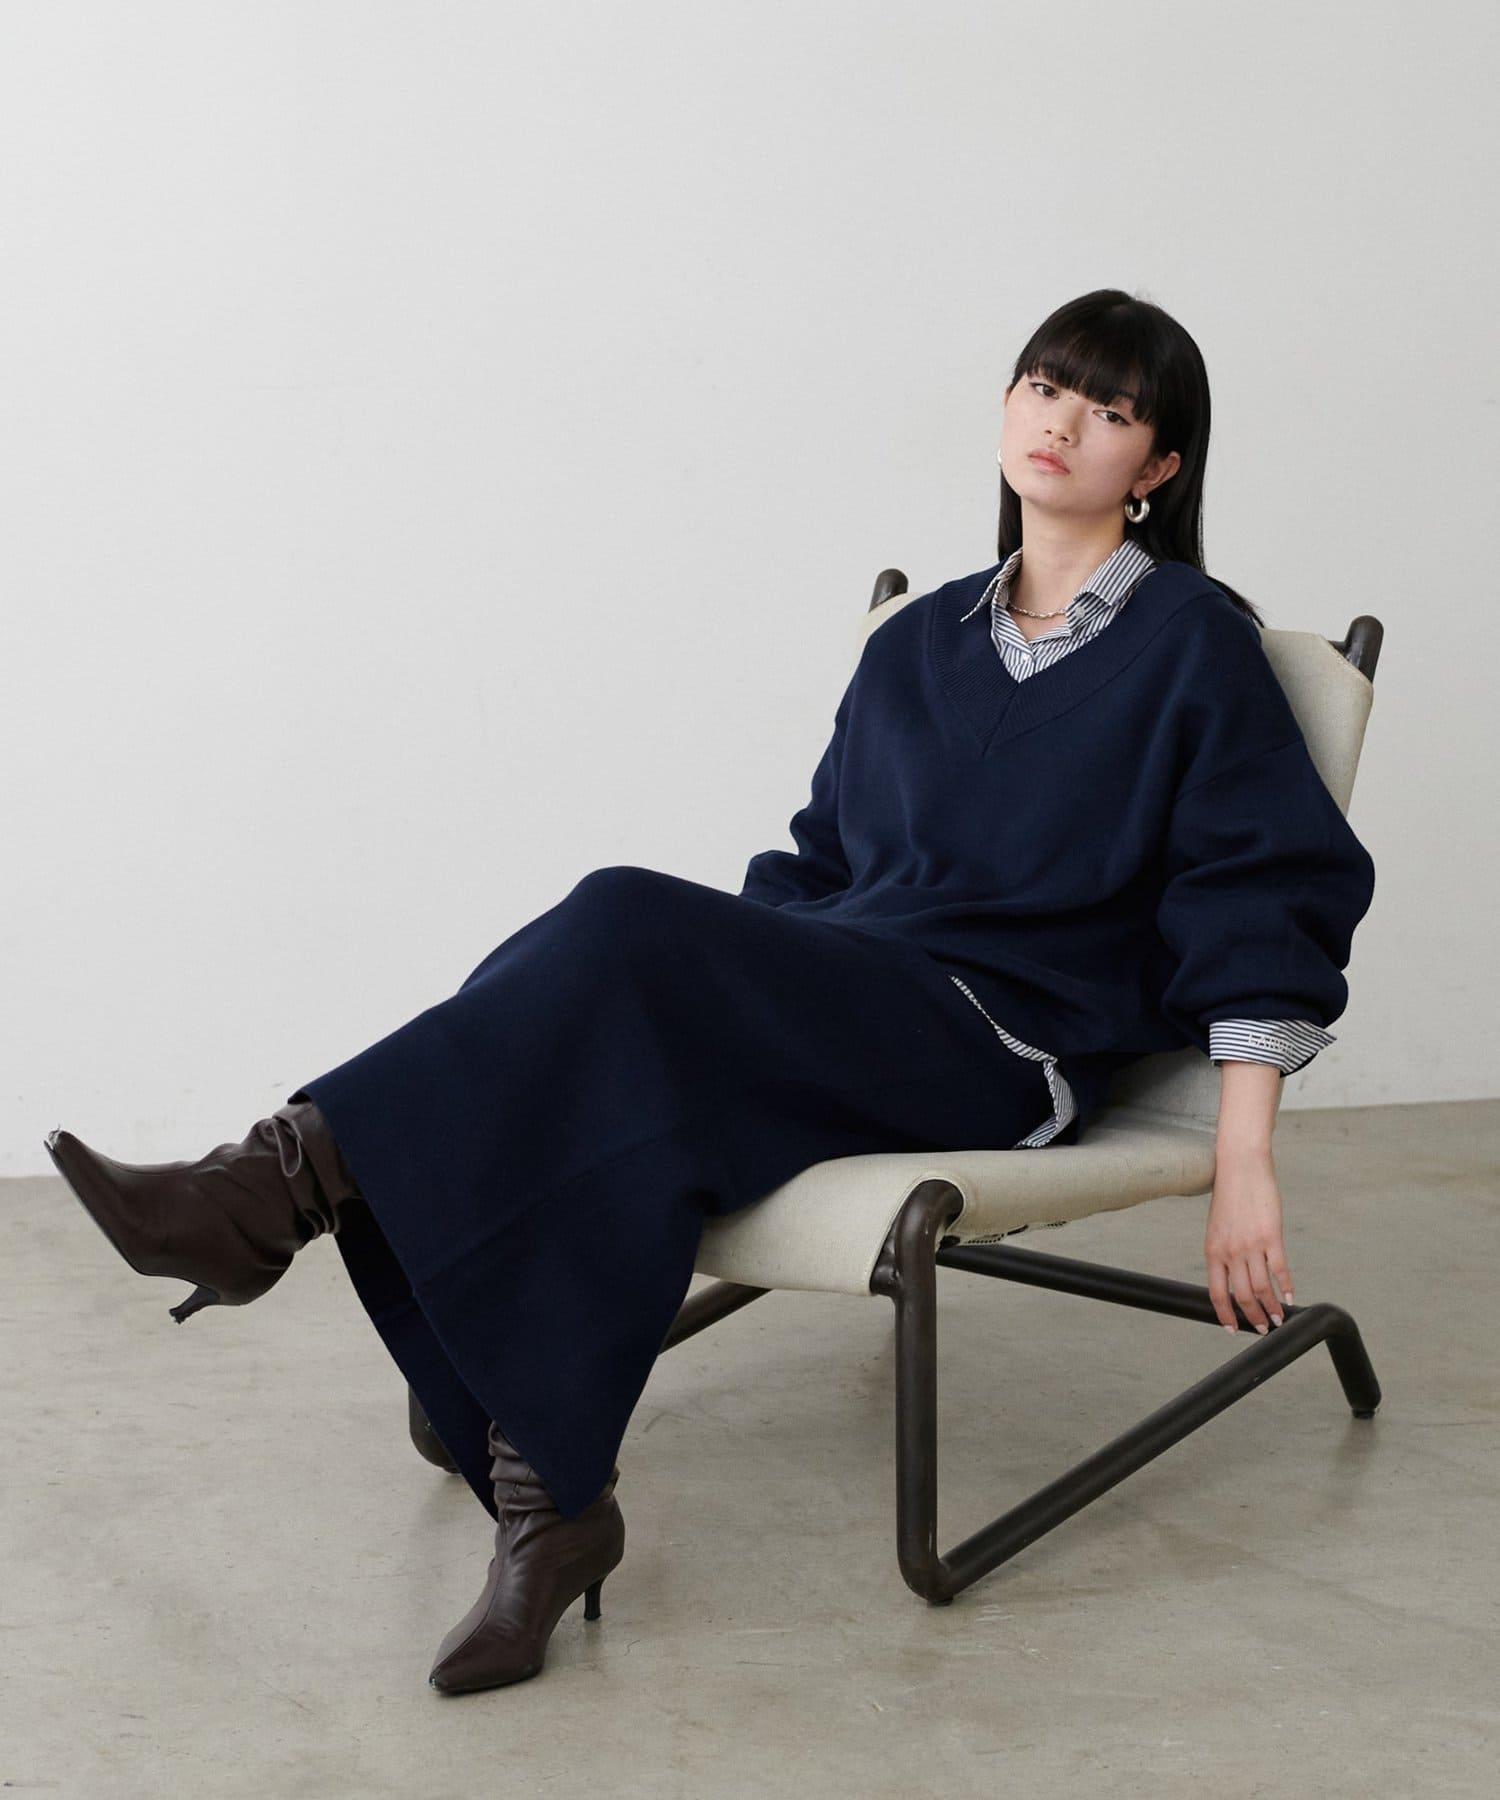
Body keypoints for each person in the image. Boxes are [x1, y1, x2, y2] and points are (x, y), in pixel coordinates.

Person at [43, 286, 1377, 1698]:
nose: (1064, 422)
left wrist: (1245, 1162)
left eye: (1109, 410)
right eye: (1045, 386)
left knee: (620, 916)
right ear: (1006, 405)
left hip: (999, 1039)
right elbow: (817, 868)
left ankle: (282, 1197)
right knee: (624, 1015)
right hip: (852, 999)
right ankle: (550, 1504)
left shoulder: (1193, 644)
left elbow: (1258, 893)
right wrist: (719, 1000)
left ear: (1156, 466)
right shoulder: (916, 643)